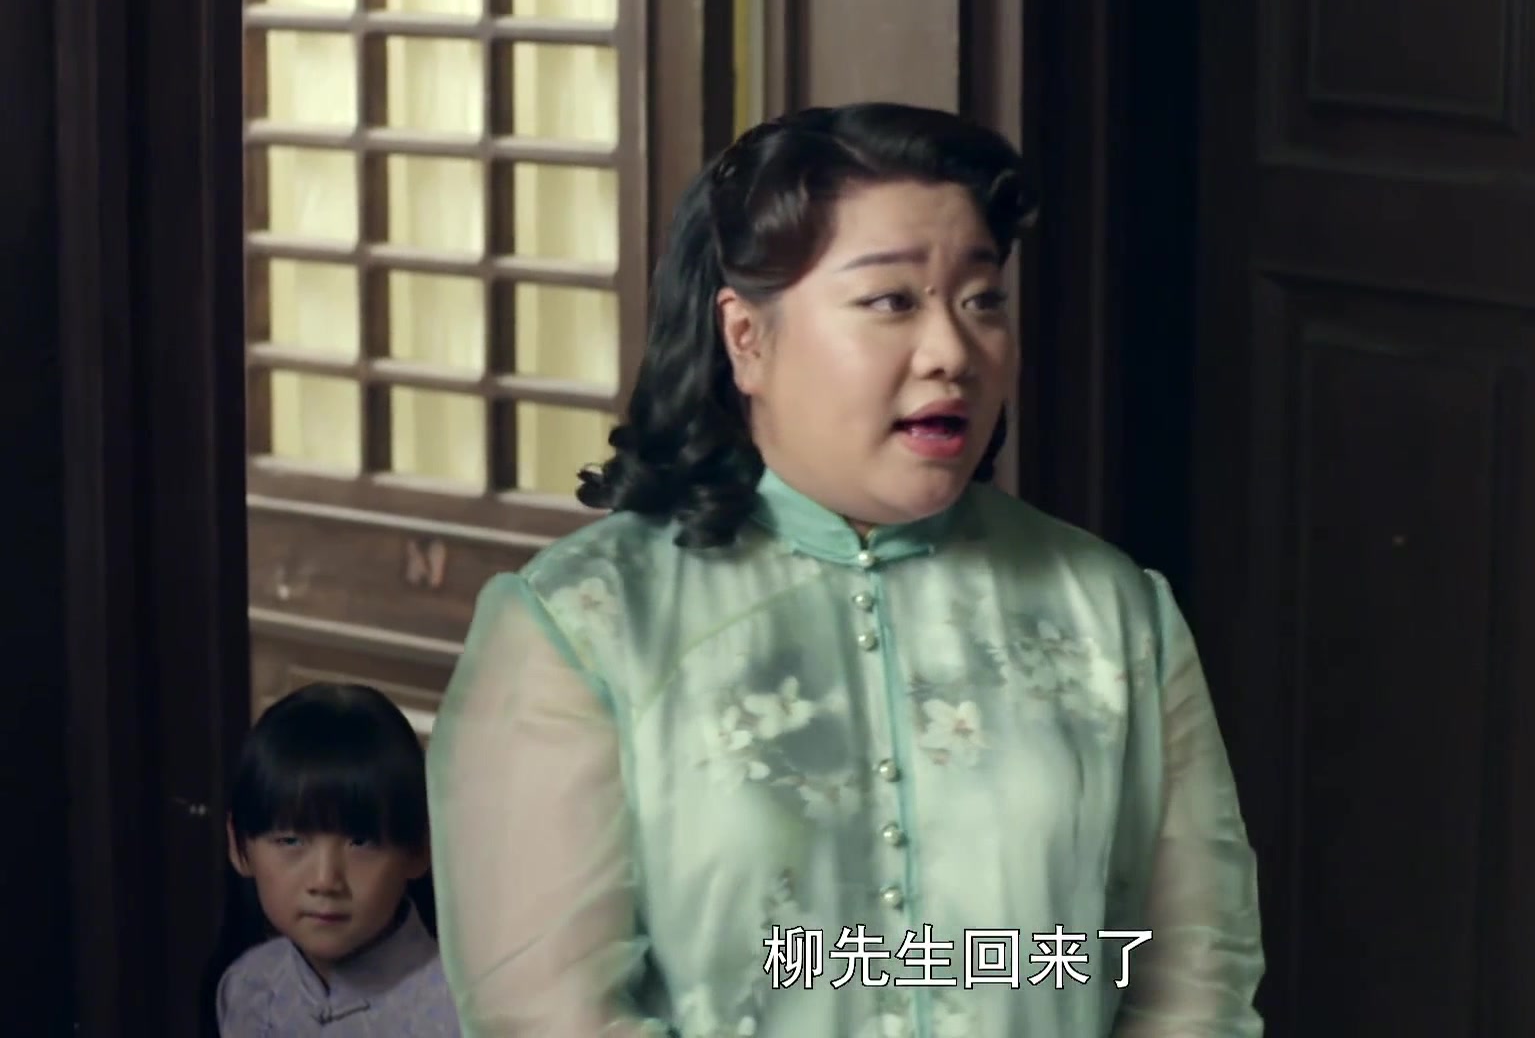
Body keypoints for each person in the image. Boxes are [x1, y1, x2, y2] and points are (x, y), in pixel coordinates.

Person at [426, 101, 1264, 1037]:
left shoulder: (1111, 611)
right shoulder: (584, 626)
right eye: (892, 301)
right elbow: (546, 1012)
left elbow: (1196, 975)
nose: (952, 352)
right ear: (747, 338)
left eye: (982, 299)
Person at [212, 682, 458, 1036]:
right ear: (239, 847)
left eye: (361, 842)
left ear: (419, 849)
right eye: (291, 841)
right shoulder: (247, 986)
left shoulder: (461, 1012)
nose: (325, 881)